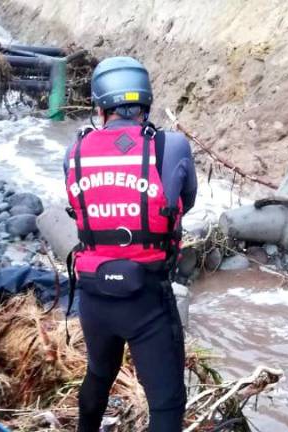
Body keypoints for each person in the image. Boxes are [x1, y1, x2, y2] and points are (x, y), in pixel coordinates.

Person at [63, 56, 197, 432]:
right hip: (147, 298)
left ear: (99, 106)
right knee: (168, 404)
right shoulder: (171, 147)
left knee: (99, 374)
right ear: (145, 103)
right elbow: (185, 202)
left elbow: (78, 207)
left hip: (94, 296)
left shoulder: (73, 152)